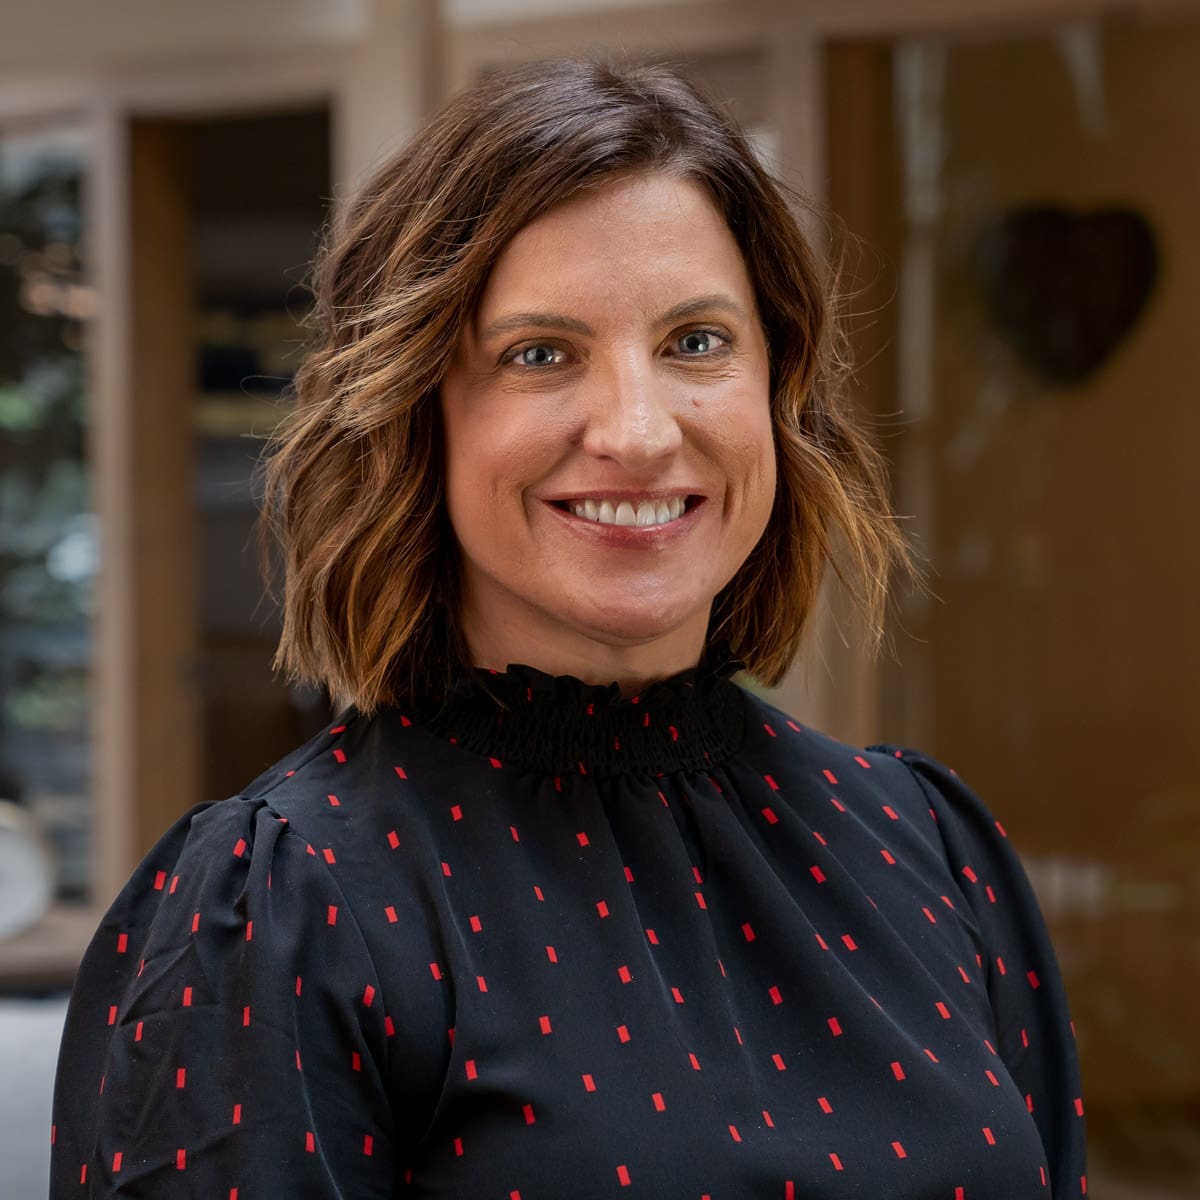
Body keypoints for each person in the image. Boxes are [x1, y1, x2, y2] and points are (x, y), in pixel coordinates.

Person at [50, 58, 1086, 1198]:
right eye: (540, 355)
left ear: (779, 393)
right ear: (413, 415)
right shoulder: (286, 906)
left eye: (696, 342)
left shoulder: (925, 847)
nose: (639, 432)